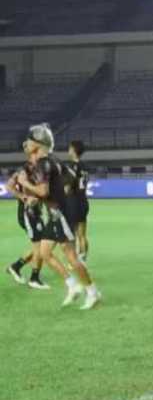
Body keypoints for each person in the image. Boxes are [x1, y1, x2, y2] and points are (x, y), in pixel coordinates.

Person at [16, 124, 101, 309]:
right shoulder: (53, 160)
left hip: (62, 213)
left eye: (30, 141)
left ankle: (93, 292)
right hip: (56, 212)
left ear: (37, 144)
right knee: (45, 252)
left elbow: (43, 190)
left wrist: (25, 184)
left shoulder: (43, 163)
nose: (27, 144)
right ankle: (72, 285)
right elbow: (69, 177)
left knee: (71, 256)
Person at [6, 144, 48, 289]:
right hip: (27, 212)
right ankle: (34, 278)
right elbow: (9, 186)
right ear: (33, 154)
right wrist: (24, 197)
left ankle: (16, 267)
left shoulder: (40, 169)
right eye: (39, 153)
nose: (43, 155)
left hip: (36, 211)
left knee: (43, 244)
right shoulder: (23, 171)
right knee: (40, 245)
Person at [62, 140, 91, 261]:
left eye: (69, 148)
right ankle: (82, 260)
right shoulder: (85, 166)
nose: (68, 150)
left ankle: (73, 262)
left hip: (73, 202)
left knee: (71, 235)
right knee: (82, 235)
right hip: (83, 200)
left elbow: (67, 188)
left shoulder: (71, 166)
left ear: (74, 150)